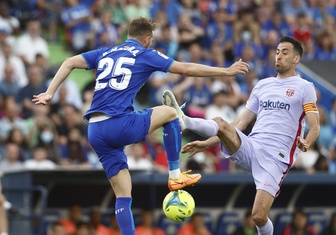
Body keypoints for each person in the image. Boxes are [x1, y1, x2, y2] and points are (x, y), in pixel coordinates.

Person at [32, 17, 249, 235]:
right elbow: (186, 68)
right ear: (147, 39)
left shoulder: (105, 52)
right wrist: (226, 71)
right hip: (118, 124)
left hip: (95, 131)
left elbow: (69, 61)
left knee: (123, 195)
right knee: (171, 113)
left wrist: (50, 92)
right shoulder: (145, 54)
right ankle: (175, 176)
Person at [164, 36, 320, 235]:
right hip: (251, 146)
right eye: (277, 51)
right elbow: (239, 124)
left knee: (258, 216)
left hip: (275, 159)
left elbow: (315, 126)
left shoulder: (304, 87)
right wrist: (207, 143)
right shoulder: (263, 85)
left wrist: (307, 142)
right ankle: (184, 121)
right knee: (221, 122)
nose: (279, 56)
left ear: (296, 59)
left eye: (285, 52)